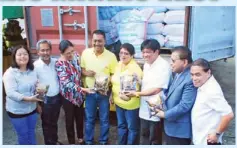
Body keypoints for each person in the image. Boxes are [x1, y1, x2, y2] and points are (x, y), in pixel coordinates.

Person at [126, 39, 171, 145]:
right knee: (144, 135)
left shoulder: (164, 66)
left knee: (154, 138)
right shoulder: (146, 64)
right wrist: (138, 80)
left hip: (156, 106)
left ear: (157, 52)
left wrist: (137, 94)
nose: (145, 55)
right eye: (143, 52)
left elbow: (157, 89)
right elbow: (147, 84)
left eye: (148, 52)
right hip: (144, 106)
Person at [81, 30, 118, 145]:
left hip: (104, 93)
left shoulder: (111, 56)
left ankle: (103, 141)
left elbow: (114, 75)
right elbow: (81, 69)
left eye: (100, 41)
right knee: (89, 119)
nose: (97, 43)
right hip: (90, 92)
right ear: (92, 41)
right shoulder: (85, 53)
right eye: (95, 41)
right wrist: (87, 73)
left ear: (105, 41)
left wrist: (108, 87)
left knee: (104, 119)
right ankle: (88, 141)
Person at [155, 46, 197, 145]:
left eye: (173, 61)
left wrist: (165, 114)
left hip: (179, 131)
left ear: (185, 62)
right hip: (171, 127)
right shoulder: (178, 73)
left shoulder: (190, 79)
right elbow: (169, 92)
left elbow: (185, 105)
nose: (171, 63)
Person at [3, 45, 42, 145]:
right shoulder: (10, 73)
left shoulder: (32, 71)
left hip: (32, 109)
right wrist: (28, 99)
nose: (22, 57)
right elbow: (11, 93)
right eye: (19, 54)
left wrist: (39, 91)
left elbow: (35, 87)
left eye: (25, 54)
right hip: (17, 111)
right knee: (23, 136)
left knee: (31, 133)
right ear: (14, 57)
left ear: (28, 56)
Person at [190, 58, 234, 145]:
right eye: (192, 74)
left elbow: (228, 115)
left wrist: (217, 134)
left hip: (207, 142)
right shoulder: (204, 83)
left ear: (208, 72)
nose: (194, 78)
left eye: (198, 75)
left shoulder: (212, 91)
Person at [55, 40, 91, 145]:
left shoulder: (75, 57)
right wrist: (83, 89)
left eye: (72, 51)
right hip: (67, 96)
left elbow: (80, 71)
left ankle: (80, 138)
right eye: (68, 53)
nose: (71, 54)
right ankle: (71, 142)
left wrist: (87, 74)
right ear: (61, 53)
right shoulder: (59, 64)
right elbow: (66, 82)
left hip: (79, 95)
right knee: (69, 120)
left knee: (80, 117)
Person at [110, 43, 143, 145]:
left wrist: (126, 96)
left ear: (132, 55)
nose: (123, 55)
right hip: (119, 103)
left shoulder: (135, 68)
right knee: (121, 126)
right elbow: (114, 81)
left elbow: (137, 88)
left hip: (131, 105)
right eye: (121, 53)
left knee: (132, 129)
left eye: (126, 53)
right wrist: (112, 94)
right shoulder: (118, 64)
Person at [34, 39, 62, 145]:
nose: (45, 53)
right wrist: (37, 104)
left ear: (51, 50)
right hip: (44, 99)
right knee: (46, 124)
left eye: (47, 50)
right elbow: (33, 87)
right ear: (38, 52)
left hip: (57, 97)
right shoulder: (35, 66)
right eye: (42, 50)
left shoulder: (56, 62)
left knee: (54, 122)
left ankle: (54, 141)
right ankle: (49, 144)